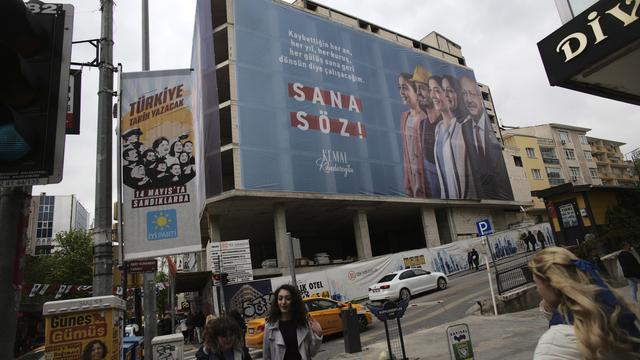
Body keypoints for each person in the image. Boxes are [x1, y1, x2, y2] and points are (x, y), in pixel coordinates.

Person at [529, 247, 640, 359]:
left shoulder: (555, 342)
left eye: (537, 284)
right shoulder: (614, 313)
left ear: (552, 284)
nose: (538, 290)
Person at [459, 75, 513, 201]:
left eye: (471, 94)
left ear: (480, 97)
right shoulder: (462, 129)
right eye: (464, 94)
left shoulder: (491, 131)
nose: (468, 100)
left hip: (501, 197)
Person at [431, 75, 471, 199]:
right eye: (431, 91)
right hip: (448, 199)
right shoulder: (438, 130)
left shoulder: (465, 127)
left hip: (466, 199)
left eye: (438, 90)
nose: (433, 95)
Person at [263, 284, 322, 360]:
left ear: (294, 301)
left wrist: (318, 335)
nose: (283, 302)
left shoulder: (303, 323)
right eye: (280, 298)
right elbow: (266, 356)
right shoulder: (270, 326)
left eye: (288, 298)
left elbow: (312, 353)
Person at [411, 65, 441, 198]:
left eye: (422, 88)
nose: (418, 94)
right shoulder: (422, 125)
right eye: (416, 89)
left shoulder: (446, 124)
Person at [398, 73, 427, 198]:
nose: (401, 93)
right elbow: (406, 156)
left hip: (427, 183)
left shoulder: (426, 116)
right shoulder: (404, 117)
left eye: (404, 87)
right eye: (399, 88)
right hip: (413, 183)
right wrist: (407, 187)